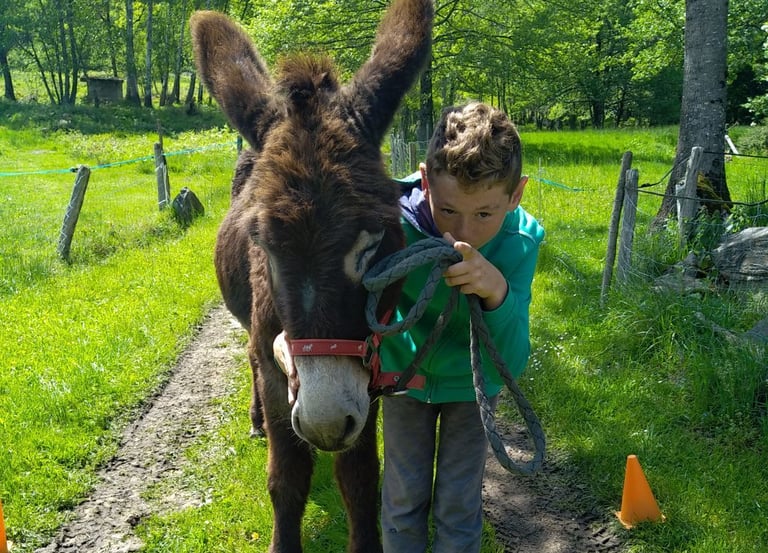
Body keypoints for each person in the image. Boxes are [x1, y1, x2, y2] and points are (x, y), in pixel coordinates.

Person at [379, 102, 545, 553]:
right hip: (402, 382)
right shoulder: (388, 226)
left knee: (458, 503)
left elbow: (511, 357)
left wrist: (497, 292)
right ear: (425, 180)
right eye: (448, 210)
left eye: (485, 215)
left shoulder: (521, 242)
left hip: (473, 390)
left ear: (516, 195)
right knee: (402, 498)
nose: (463, 233)